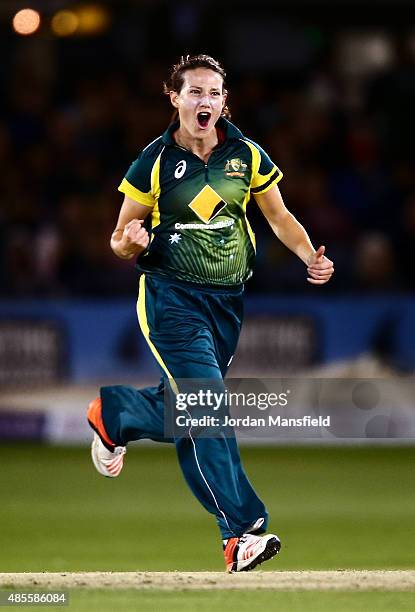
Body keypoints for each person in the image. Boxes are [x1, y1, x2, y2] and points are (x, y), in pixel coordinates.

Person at [87, 54, 334, 573]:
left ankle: (116, 414)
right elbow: (118, 237)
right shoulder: (152, 162)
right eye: (195, 92)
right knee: (207, 407)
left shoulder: (246, 155)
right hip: (170, 299)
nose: (205, 102)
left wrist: (310, 255)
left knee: (190, 412)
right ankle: (241, 532)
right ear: (174, 99)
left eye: (214, 93)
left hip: (227, 302)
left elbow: (279, 215)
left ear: (225, 102)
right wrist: (127, 243)